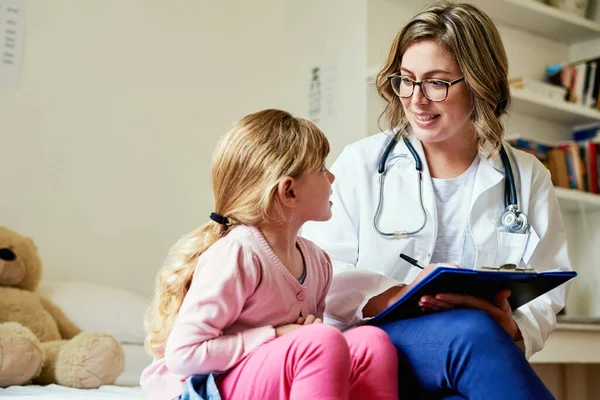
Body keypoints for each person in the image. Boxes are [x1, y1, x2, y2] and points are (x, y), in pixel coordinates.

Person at [302, 2, 571, 399]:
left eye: (436, 82)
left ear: (480, 82)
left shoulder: (528, 176)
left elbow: (549, 289)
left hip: (472, 353)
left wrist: (511, 326)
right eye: (406, 80)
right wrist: (400, 295)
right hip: (376, 349)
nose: (416, 99)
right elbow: (318, 271)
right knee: (469, 330)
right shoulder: (361, 163)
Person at [140, 109, 400, 400]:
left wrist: (304, 335)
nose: (332, 176)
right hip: (205, 387)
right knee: (321, 340)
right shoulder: (238, 254)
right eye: (320, 169)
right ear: (288, 191)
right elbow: (184, 355)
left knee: (371, 341)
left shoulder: (317, 261)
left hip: (264, 379)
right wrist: (276, 335)